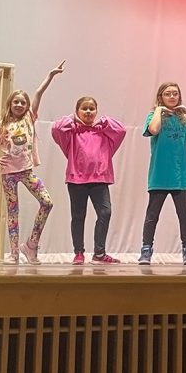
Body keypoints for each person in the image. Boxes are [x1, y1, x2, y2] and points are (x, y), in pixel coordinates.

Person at [0, 63, 62, 265]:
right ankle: (14, 253)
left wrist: (50, 75)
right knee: (13, 212)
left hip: (26, 171)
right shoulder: (3, 124)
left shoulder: (29, 118)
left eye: (22, 103)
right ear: (10, 104)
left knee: (47, 202)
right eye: (15, 102)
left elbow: (38, 92)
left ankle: (31, 245)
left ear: (27, 107)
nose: (19, 105)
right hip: (8, 174)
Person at [51, 96, 127, 265]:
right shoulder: (71, 133)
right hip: (76, 180)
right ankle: (79, 252)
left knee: (105, 212)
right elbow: (56, 129)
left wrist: (104, 122)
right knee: (78, 216)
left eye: (91, 108)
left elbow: (121, 130)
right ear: (77, 111)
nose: (88, 111)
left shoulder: (104, 133)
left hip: (100, 179)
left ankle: (99, 253)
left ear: (96, 112)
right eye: (84, 108)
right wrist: (72, 119)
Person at [139, 82, 186, 265]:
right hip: (159, 175)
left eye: (175, 94)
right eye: (168, 94)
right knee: (152, 215)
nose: (172, 97)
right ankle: (146, 250)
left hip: (181, 176)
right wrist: (159, 110)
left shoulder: (184, 119)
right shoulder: (154, 115)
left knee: (184, 215)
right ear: (161, 97)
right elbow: (154, 129)